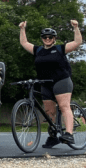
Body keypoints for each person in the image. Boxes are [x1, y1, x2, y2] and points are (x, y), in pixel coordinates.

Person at [19, 20, 83, 148]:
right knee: (49, 111)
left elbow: (77, 42)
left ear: (54, 39)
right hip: (45, 83)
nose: (47, 39)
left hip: (61, 81)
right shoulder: (38, 51)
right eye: (45, 37)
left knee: (64, 106)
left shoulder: (60, 48)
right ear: (42, 38)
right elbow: (24, 43)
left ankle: (69, 134)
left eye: (50, 37)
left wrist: (76, 28)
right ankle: (53, 136)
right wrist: (22, 29)